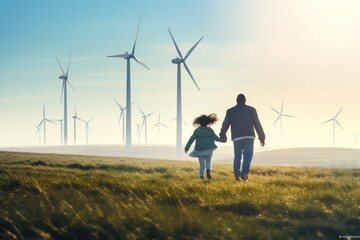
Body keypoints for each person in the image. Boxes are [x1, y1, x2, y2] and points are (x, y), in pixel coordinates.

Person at [220, 94, 265, 181]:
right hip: (249, 136)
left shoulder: (230, 111)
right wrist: (262, 137)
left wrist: (223, 134)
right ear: (245, 100)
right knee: (248, 156)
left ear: (236, 100)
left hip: (237, 137)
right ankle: (244, 173)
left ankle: (237, 175)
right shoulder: (251, 110)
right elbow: (257, 124)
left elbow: (225, 124)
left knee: (237, 156)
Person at [185, 113, 224, 180]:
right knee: (208, 162)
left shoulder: (197, 131)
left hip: (200, 150)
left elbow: (191, 139)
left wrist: (187, 147)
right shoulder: (210, 130)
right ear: (208, 122)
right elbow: (216, 138)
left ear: (199, 122)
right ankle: (208, 169)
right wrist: (222, 140)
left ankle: (201, 176)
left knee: (202, 164)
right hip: (209, 149)